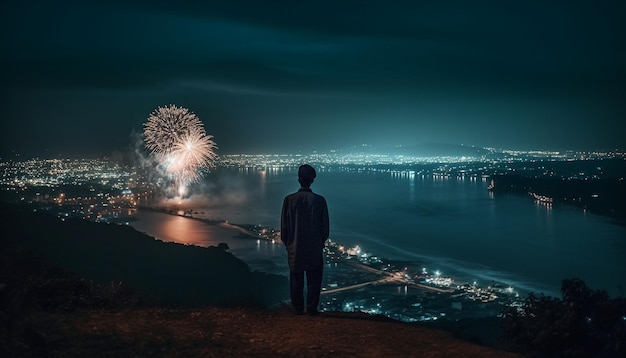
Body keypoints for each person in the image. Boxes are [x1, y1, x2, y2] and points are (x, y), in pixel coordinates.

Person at [280, 164, 329, 316]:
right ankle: (312, 309)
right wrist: (320, 242)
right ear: (312, 180)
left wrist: (289, 244)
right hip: (314, 247)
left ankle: (297, 309)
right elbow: (325, 229)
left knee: (296, 280)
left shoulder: (289, 200)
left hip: (295, 247)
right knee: (314, 280)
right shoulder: (320, 201)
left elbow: (284, 228)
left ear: (299, 179)